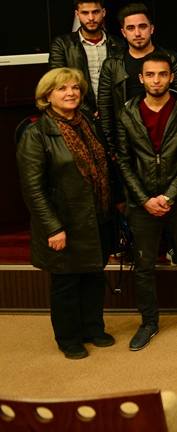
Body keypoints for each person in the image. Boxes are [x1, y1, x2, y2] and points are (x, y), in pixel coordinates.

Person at [115, 51, 177, 350]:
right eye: (150, 75)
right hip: (142, 202)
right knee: (143, 266)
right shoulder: (127, 112)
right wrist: (145, 199)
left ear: (172, 77)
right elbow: (123, 161)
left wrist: (170, 195)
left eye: (162, 74)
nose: (156, 80)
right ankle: (148, 322)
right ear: (141, 78)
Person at [17, 68, 117, 359]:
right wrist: (53, 228)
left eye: (75, 87)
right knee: (66, 284)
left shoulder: (90, 124)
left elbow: (105, 169)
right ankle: (68, 338)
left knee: (93, 277)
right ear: (47, 96)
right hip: (65, 222)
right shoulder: (36, 134)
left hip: (97, 216)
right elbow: (33, 189)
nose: (70, 93)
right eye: (62, 89)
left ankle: (93, 329)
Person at [97, 3, 177, 148]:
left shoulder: (171, 59)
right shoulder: (112, 65)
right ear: (123, 32)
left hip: (166, 137)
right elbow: (106, 109)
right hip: (127, 139)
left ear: (151, 29)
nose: (137, 33)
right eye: (131, 28)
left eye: (142, 27)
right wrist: (111, 147)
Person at [48, 0, 125, 118]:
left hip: (114, 114)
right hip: (77, 114)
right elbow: (58, 82)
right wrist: (88, 112)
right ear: (77, 14)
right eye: (85, 13)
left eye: (95, 12)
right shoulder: (62, 44)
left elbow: (123, 84)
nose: (91, 18)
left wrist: (107, 111)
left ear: (103, 12)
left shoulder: (119, 43)